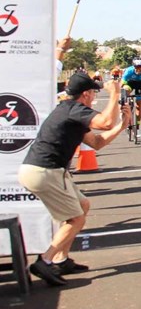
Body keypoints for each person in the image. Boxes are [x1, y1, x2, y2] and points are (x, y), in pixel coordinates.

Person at [18, 72, 130, 286]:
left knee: (82, 205)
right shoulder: (74, 110)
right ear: (85, 94)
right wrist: (115, 95)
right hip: (45, 171)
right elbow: (105, 122)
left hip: (48, 171)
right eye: (93, 94)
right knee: (76, 219)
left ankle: (61, 260)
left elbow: (96, 142)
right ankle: (45, 260)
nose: (95, 98)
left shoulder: (70, 112)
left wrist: (122, 126)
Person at [120, 58, 141, 137]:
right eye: (136, 67)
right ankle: (126, 110)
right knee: (125, 90)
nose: (138, 69)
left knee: (139, 105)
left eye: (140, 67)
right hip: (130, 84)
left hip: (140, 85)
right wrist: (122, 96)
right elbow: (122, 83)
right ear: (133, 66)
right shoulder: (129, 71)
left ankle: (137, 127)